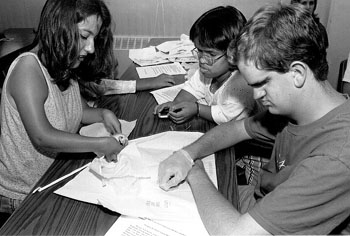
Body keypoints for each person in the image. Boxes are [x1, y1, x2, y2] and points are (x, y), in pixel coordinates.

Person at [158, 4, 350, 235]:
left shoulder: (335, 158)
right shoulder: (297, 110)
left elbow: (235, 233)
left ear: (297, 73)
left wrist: (195, 171)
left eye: (261, 83)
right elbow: (237, 129)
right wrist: (185, 154)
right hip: (260, 205)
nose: (256, 95)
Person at [0, 0, 126, 216]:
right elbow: (42, 136)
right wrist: (102, 144)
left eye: (94, 39)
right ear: (59, 27)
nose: (91, 48)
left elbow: (79, 111)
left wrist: (103, 114)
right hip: (22, 196)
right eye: (84, 36)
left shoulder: (64, 63)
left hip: (50, 177)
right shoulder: (28, 69)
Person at [153, 6, 255, 125]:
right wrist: (176, 104)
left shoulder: (241, 86)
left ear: (234, 54)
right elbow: (193, 88)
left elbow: (225, 116)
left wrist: (197, 109)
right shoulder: (209, 70)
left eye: (211, 54)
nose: (202, 60)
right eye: (200, 51)